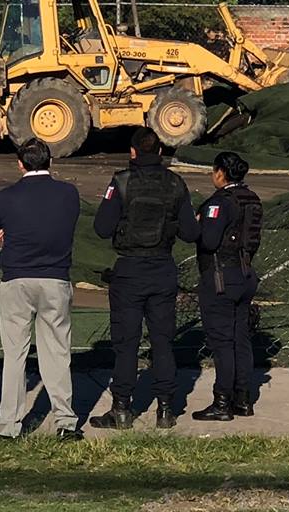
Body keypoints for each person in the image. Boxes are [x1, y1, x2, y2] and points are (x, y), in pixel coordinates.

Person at [90, 127, 200, 430]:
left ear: (133, 152)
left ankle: (122, 408)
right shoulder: (176, 184)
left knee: (126, 343)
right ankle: (166, 408)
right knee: (163, 340)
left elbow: (101, 227)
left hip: (129, 269)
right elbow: (191, 232)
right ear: (161, 152)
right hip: (162, 268)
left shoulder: (121, 183)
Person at [0, 138, 83, 442]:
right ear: (50, 162)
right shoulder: (68, 193)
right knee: (56, 351)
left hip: (17, 278)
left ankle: (8, 425)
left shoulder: (10, 195)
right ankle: (65, 421)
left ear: (20, 164)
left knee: (14, 355)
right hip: (54, 277)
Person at [192, 152, 262, 421]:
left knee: (222, 343)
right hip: (246, 274)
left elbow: (209, 241)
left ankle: (222, 402)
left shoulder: (219, 203)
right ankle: (243, 399)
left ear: (221, 173)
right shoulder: (252, 200)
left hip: (221, 276)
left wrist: (198, 225)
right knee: (240, 339)